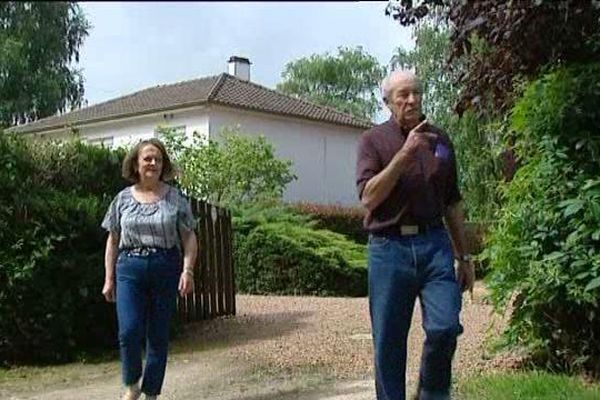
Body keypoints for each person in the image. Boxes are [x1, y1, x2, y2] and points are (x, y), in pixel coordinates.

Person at [356, 70, 475, 400]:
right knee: (389, 342)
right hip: (388, 248)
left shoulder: (440, 140)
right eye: (402, 95)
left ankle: (432, 394)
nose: (411, 100)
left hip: (434, 244)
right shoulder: (373, 141)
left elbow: (452, 201)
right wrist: (405, 154)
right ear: (388, 103)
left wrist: (464, 256)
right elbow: (368, 197)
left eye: (416, 93)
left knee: (445, 326)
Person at [101, 138, 198, 400]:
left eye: (158, 159)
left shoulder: (175, 198)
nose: (153, 163)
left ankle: (151, 393)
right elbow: (113, 239)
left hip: (165, 266)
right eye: (147, 158)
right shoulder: (121, 199)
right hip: (129, 268)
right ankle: (131, 383)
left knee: (158, 335)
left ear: (163, 164)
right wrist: (109, 278)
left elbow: (189, 237)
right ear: (135, 163)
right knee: (129, 331)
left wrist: (187, 270)